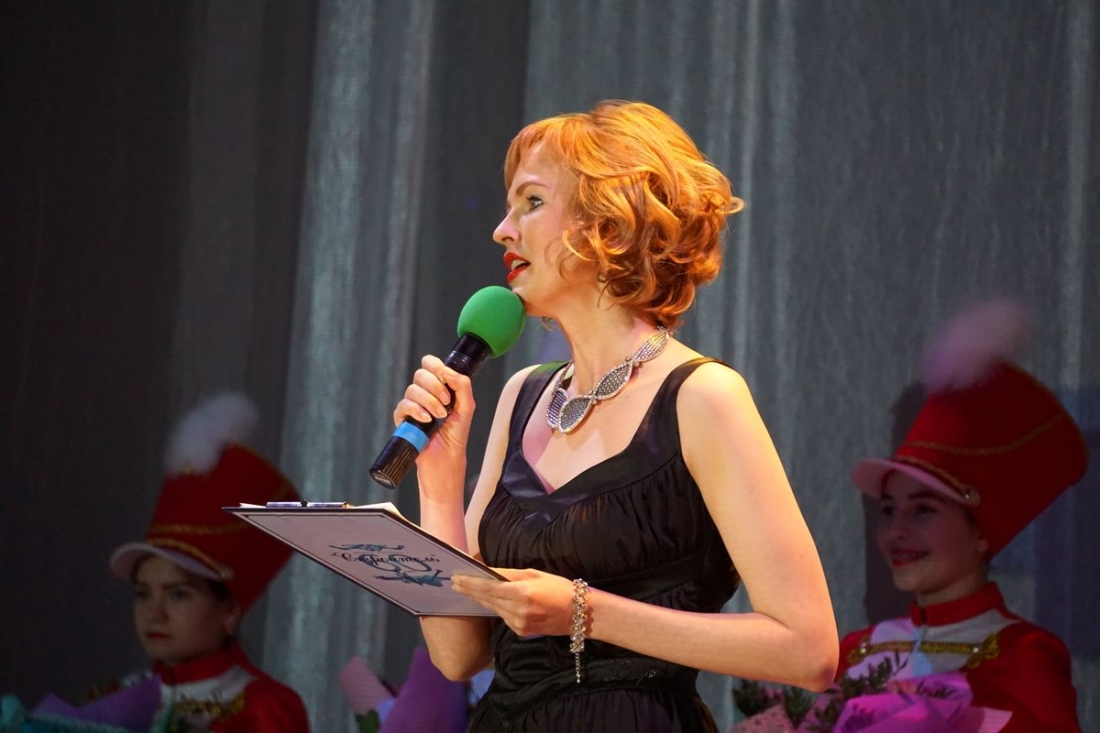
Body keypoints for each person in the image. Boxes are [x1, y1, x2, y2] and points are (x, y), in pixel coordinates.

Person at [392, 100, 838, 731]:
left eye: (532, 202)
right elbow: (457, 655)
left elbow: (809, 651)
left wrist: (583, 611)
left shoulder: (703, 396)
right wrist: (439, 485)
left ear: (611, 224)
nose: (502, 230)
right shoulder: (523, 395)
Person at [837, 301, 1088, 732]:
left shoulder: (1023, 657)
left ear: (981, 533)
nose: (896, 531)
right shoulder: (855, 650)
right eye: (889, 509)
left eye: (923, 510)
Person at [108, 393, 310, 732]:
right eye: (143, 594)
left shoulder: (262, 709)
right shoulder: (117, 698)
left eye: (178, 594)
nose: (154, 613)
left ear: (229, 612)